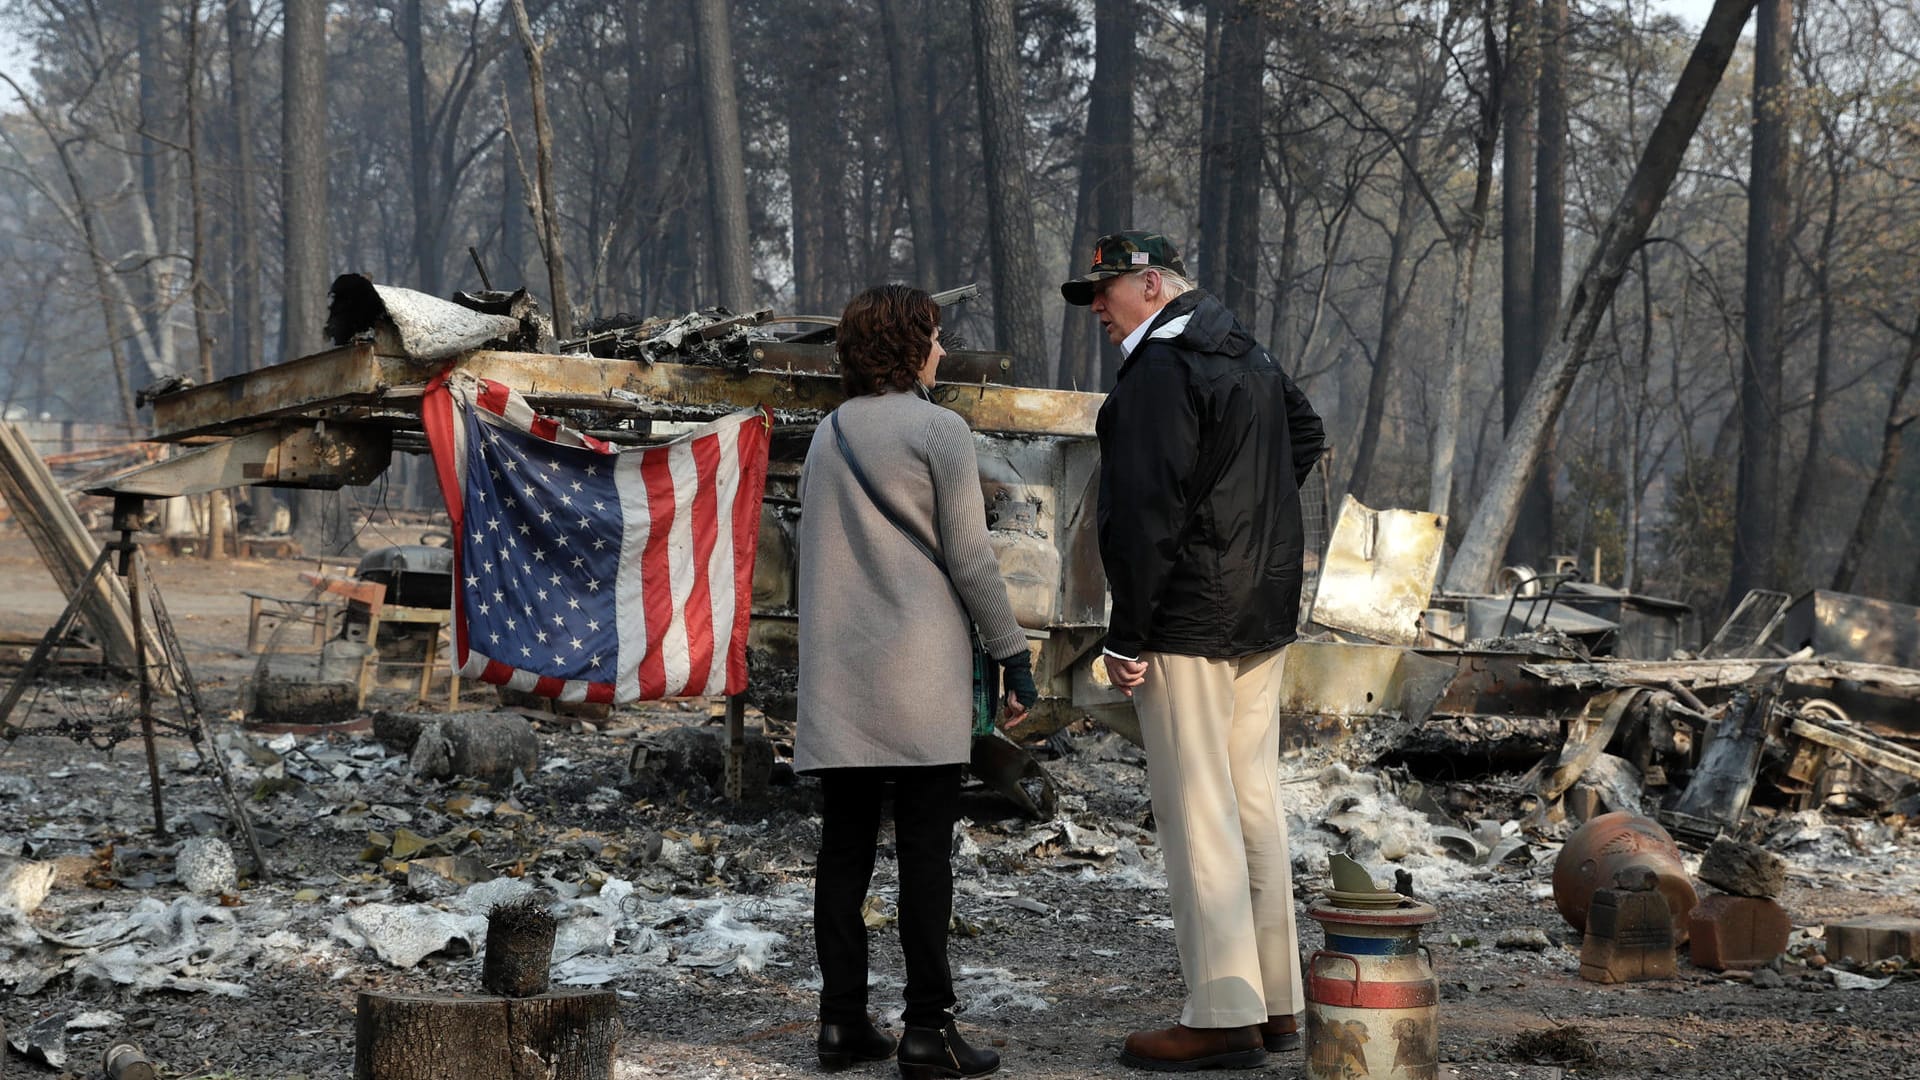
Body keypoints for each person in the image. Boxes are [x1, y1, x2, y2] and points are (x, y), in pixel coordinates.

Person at [1061, 231, 1327, 1072]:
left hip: (1186, 620)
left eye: (1104, 291)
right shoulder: (1243, 349)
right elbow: (1305, 434)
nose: (1097, 308)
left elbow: (1145, 514)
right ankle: (1277, 1002)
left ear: (1150, 285)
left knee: (1198, 810)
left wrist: (1128, 635)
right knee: (1251, 804)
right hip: (1260, 611)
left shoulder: (1161, 370)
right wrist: (1248, 532)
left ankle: (1219, 1013)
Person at [794, 284, 1039, 1079]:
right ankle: (928, 1033)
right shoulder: (940, 429)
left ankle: (840, 1025)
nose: (941, 349)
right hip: (921, 675)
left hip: (841, 681)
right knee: (925, 859)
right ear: (909, 345)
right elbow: (969, 559)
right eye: (933, 336)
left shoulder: (828, 434)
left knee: (844, 856)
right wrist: (1011, 652)